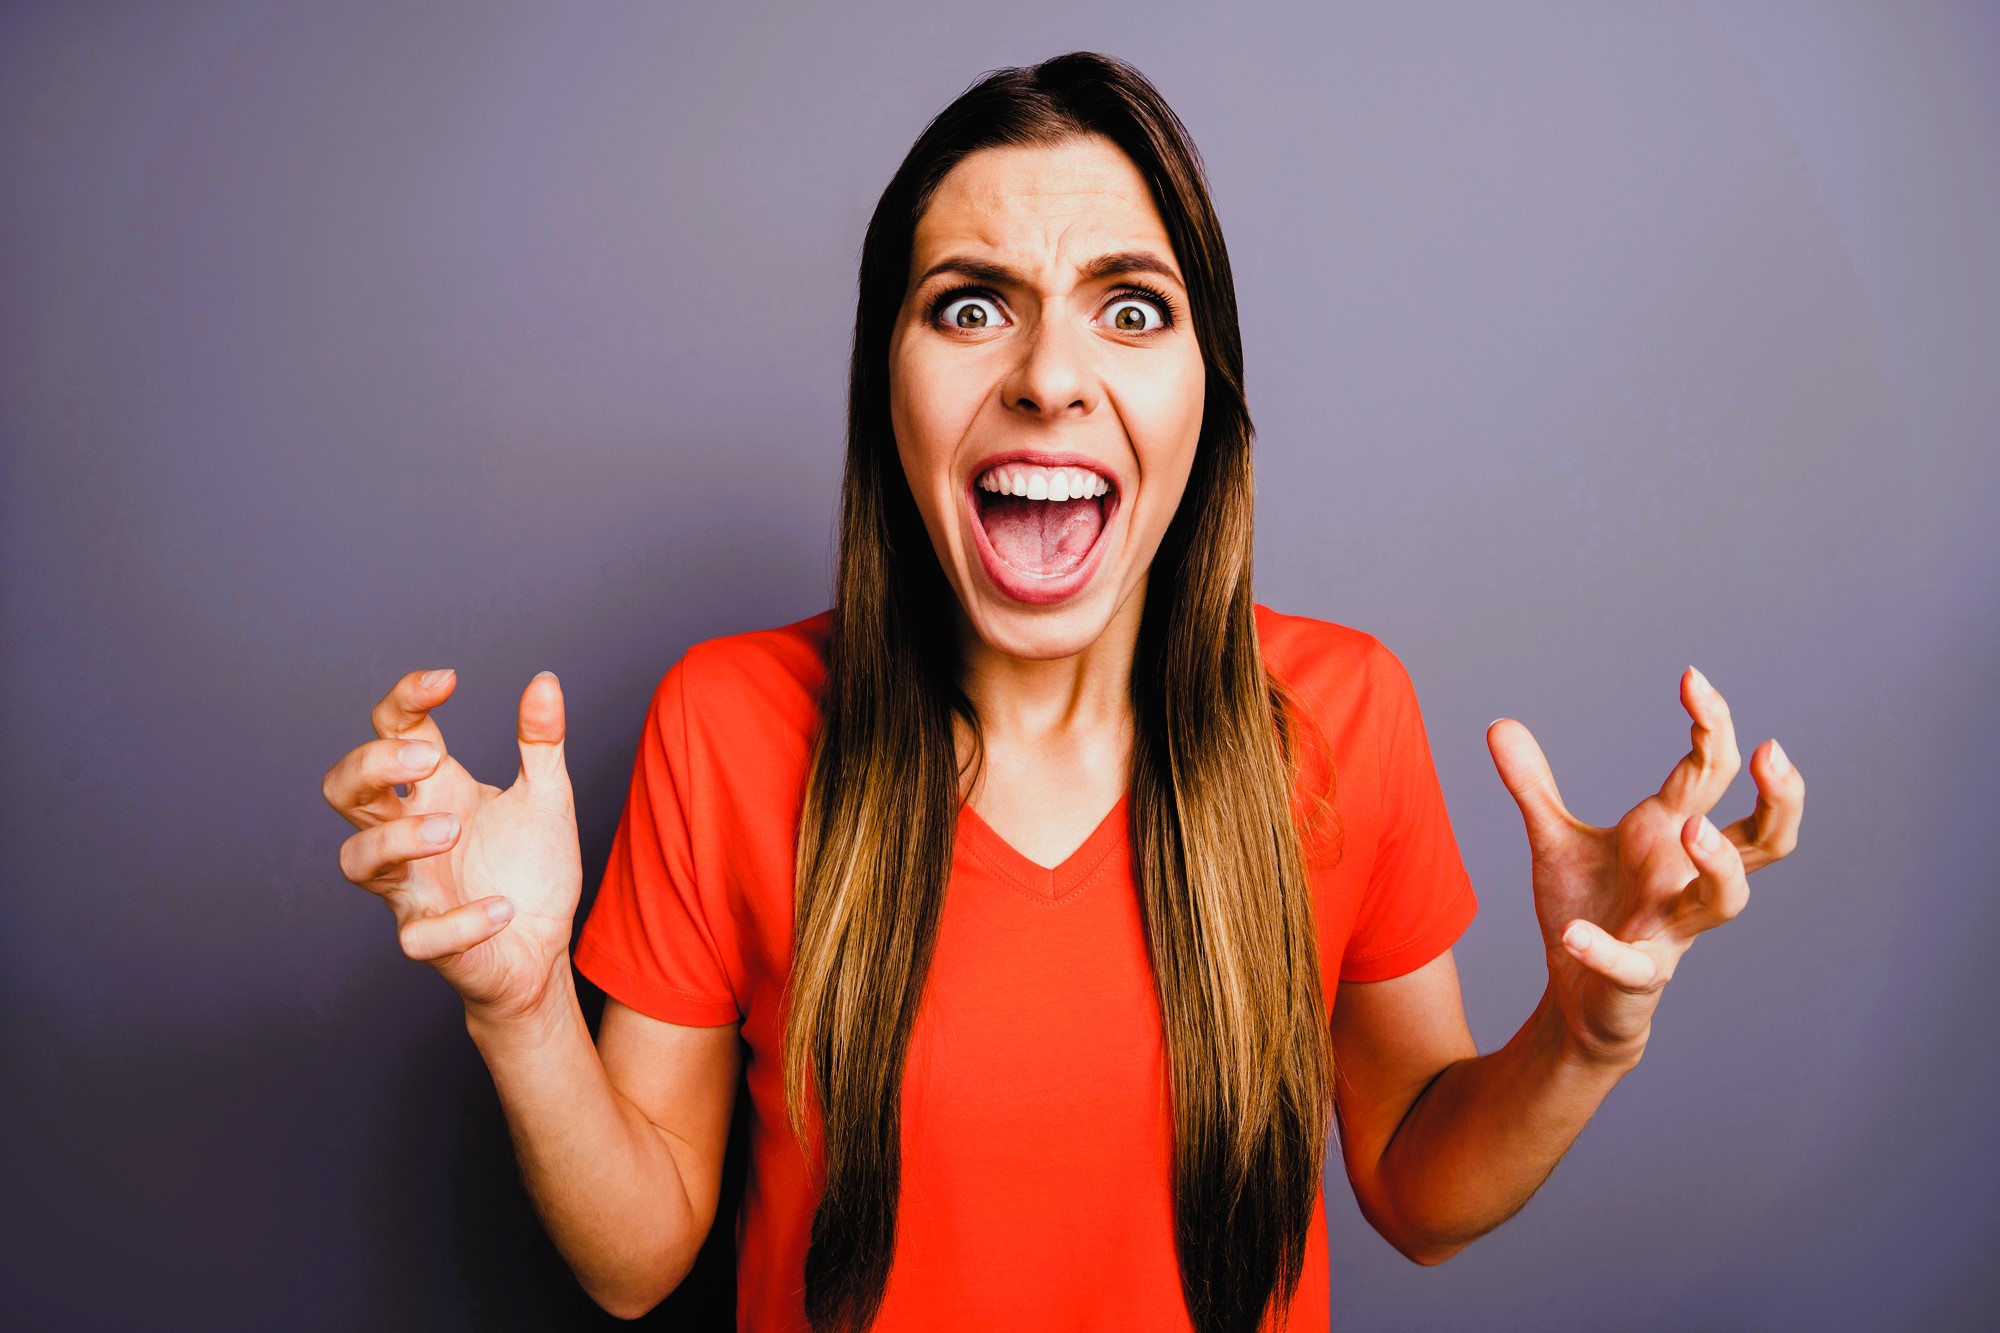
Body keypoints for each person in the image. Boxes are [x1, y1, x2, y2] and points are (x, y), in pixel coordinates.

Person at [320, 52, 1804, 1333]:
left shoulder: (1341, 713)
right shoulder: (731, 722)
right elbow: (640, 1262)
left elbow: (1417, 1188)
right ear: (885, 388)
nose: (1048, 375)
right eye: (970, 308)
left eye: (1131, 309)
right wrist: (521, 1011)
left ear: (1204, 395)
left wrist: (1583, 1030)